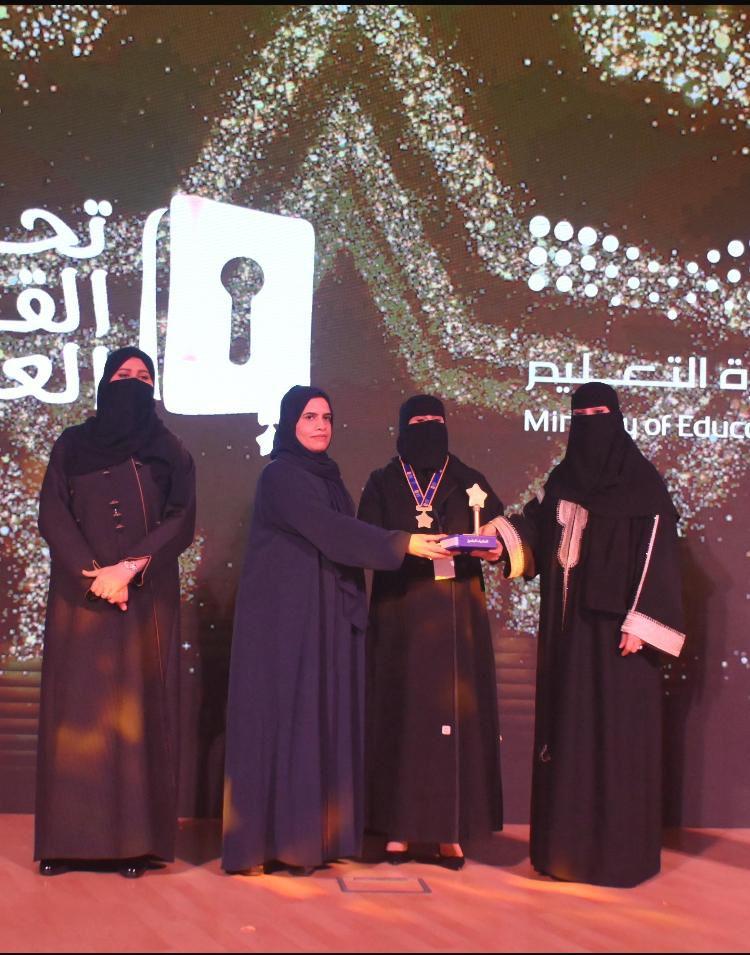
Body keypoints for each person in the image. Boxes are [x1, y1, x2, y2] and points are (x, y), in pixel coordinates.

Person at [221, 385, 450, 876]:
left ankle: (318, 836)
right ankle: (280, 842)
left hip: (322, 615)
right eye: (309, 417)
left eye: (326, 417)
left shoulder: (328, 476)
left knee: (320, 718)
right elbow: (331, 531)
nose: (320, 425)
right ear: (290, 423)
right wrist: (403, 543)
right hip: (287, 623)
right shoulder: (281, 476)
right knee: (292, 721)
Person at [484, 381, 685, 887]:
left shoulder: (643, 485)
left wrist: (641, 621)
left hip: (619, 644)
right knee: (568, 735)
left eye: (600, 415)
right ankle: (564, 853)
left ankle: (616, 858)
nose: (591, 426)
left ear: (617, 419)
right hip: (569, 636)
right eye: (581, 417)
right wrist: (504, 538)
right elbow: (538, 526)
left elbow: (658, 554)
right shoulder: (563, 479)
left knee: (613, 742)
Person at [35, 347, 196, 878]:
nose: (133, 382)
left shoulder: (170, 449)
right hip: (79, 596)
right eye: (123, 375)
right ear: (104, 383)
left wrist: (128, 569)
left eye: (144, 377)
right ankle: (65, 843)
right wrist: (94, 575)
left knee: (135, 716)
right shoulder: (71, 444)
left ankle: (133, 845)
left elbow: (181, 518)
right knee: (76, 715)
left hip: (144, 598)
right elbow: (53, 513)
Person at [357, 394, 504, 869]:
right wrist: (407, 544)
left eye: (434, 420)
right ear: (402, 428)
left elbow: (499, 533)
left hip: (456, 616)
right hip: (400, 616)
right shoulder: (382, 481)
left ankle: (450, 831)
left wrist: (490, 547)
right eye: (418, 421)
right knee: (401, 719)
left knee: (452, 719)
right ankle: (397, 828)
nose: (427, 427)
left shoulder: (468, 479)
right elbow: (364, 539)